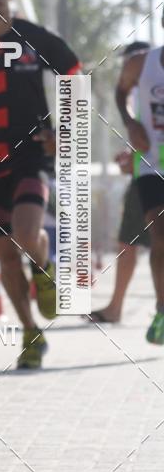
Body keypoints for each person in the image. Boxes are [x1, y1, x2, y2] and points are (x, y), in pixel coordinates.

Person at [0, 0, 81, 369]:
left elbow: (74, 71)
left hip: (31, 152)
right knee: (6, 255)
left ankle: (44, 267)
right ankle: (30, 332)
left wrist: (66, 129)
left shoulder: (30, 37)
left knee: (27, 234)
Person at [89, 41, 151, 324]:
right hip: (144, 174)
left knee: (128, 243)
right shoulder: (139, 97)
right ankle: (115, 306)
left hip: (150, 176)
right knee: (128, 241)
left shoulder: (146, 87)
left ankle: (115, 307)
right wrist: (133, 155)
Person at [115, 36, 164, 344]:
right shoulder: (141, 63)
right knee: (160, 234)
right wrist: (131, 123)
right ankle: (162, 310)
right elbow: (121, 92)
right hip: (152, 164)